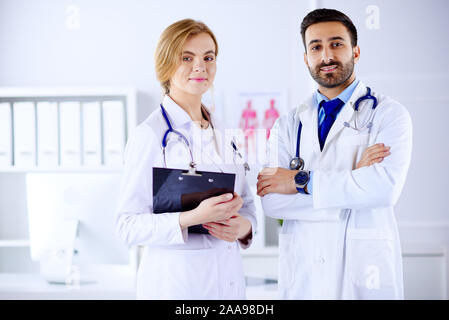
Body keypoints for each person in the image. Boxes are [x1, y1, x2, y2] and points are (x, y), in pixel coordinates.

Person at [257, 8, 412, 299]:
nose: (327, 56)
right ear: (306, 58)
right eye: (316, 47)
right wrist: (355, 181)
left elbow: (383, 190)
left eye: (336, 43)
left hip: (364, 276)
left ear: (356, 51)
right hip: (305, 278)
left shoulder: (389, 114)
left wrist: (299, 182)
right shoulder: (287, 124)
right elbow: (273, 203)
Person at [115, 19, 256, 300]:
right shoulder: (151, 135)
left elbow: (247, 204)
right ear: (166, 64)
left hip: (228, 285)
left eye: (209, 57)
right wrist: (192, 218)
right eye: (187, 57)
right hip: (176, 286)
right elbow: (126, 225)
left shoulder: (223, 131)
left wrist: (245, 227)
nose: (200, 66)